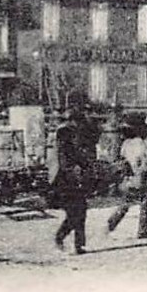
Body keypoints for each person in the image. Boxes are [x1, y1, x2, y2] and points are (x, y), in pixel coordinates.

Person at [50, 107, 94, 255]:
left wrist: (85, 164)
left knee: (80, 211)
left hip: (73, 179)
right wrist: (75, 168)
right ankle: (62, 238)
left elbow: (77, 155)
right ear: (73, 121)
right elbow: (64, 158)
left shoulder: (72, 133)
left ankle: (78, 244)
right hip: (66, 180)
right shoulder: (64, 133)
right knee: (75, 212)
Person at [106, 121, 147, 239]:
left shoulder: (126, 143)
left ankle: (111, 223)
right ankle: (142, 231)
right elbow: (144, 163)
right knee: (145, 203)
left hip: (127, 178)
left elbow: (122, 158)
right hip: (138, 178)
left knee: (127, 202)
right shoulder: (141, 144)